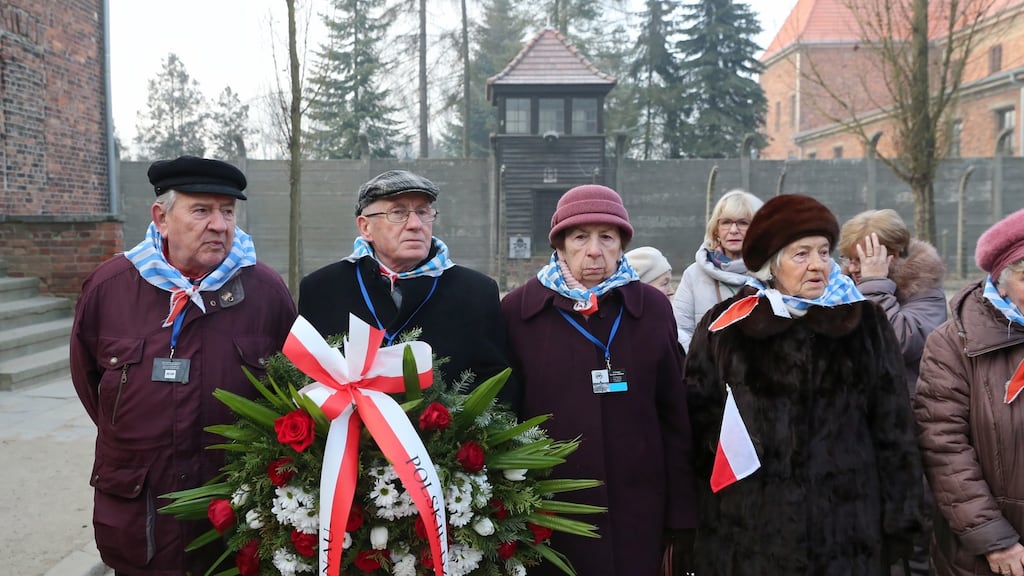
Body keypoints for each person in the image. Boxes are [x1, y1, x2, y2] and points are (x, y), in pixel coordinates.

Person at [70, 156, 297, 575]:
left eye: (227, 211)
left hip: (234, 518)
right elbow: (91, 387)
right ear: (161, 217)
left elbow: (291, 391)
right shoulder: (110, 287)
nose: (220, 224)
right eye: (201, 210)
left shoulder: (265, 292)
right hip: (142, 518)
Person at [685, 194, 924, 575]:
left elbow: (895, 432)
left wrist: (904, 526)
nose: (817, 265)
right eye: (801, 254)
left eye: (824, 252)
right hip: (750, 534)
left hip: (848, 531)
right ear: (771, 265)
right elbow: (698, 425)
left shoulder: (864, 324)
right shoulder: (726, 327)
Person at [500, 184, 698, 576]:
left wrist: (681, 514)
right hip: (551, 513)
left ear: (622, 244)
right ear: (560, 245)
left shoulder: (652, 308)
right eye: (580, 237)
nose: (594, 250)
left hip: (639, 512)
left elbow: (675, 416)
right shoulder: (518, 313)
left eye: (607, 237)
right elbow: (505, 418)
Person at [297, 170, 518, 408]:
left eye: (423, 212)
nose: (415, 224)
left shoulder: (477, 292)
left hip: (444, 441)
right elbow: (301, 377)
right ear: (365, 227)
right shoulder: (321, 290)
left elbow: (497, 385)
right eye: (398, 212)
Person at [915, 208, 1024, 576]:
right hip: (993, 551)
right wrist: (994, 538)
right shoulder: (953, 344)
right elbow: (943, 446)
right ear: (1002, 281)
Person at [839, 209, 948, 396]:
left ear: (893, 255)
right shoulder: (846, 288)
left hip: (901, 408)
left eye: (860, 260)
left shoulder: (925, 289)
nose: (852, 268)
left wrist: (874, 284)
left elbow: (898, 343)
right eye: (849, 259)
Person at [672, 189, 763, 351]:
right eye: (726, 222)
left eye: (743, 223)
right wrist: (704, 364)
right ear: (716, 230)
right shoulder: (694, 275)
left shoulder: (774, 275)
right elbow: (681, 331)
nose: (733, 230)